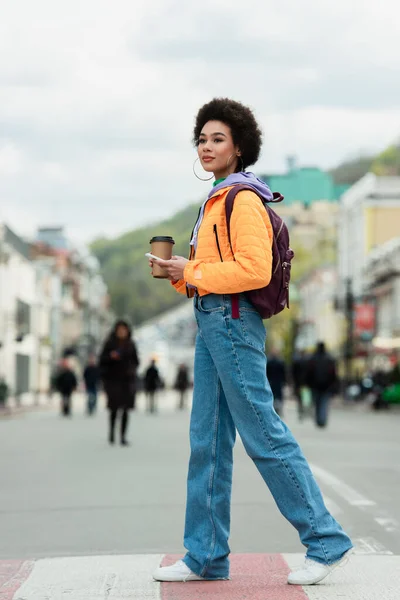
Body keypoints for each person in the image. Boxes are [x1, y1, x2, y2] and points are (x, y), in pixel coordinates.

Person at [149, 98, 352, 586]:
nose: (206, 146)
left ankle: (325, 540)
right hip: (211, 319)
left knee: (263, 433)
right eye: (201, 139)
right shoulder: (216, 199)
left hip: (234, 324)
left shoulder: (242, 199)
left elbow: (253, 270)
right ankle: (205, 554)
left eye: (217, 139)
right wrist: (178, 275)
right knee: (208, 442)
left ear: (240, 147)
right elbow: (213, 275)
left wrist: (191, 268)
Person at [99, 320, 139, 446]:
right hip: (113, 381)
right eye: (119, 330)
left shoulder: (131, 344)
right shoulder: (109, 344)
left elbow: (136, 361)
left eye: (124, 330)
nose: (122, 332)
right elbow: (102, 360)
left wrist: (131, 369)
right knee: (114, 409)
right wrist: (111, 357)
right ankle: (111, 433)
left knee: (126, 409)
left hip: (127, 381)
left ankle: (122, 436)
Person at [307, 342, 338, 428]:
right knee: (324, 402)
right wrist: (334, 385)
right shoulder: (329, 359)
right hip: (327, 386)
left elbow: (309, 373)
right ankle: (322, 419)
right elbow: (334, 374)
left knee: (317, 402)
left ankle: (318, 419)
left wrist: (308, 383)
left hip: (315, 385)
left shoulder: (313, 359)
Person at [266, 349, 286, 417]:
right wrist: (284, 381)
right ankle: (279, 410)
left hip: (271, 382)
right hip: (279, 382)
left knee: (273, 396)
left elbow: (267, 373)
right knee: (279, 396)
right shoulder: (280, 362)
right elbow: (283, 373)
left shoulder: (269, 362)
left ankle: (274, 410)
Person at [292, 350, 309, 420]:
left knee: (299, 398)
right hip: (305, 383)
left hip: (298, 383)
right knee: (305, 397)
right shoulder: (307, 362)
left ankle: (301, 411)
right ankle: (304, 411)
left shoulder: (297, 362)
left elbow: (293, 373)